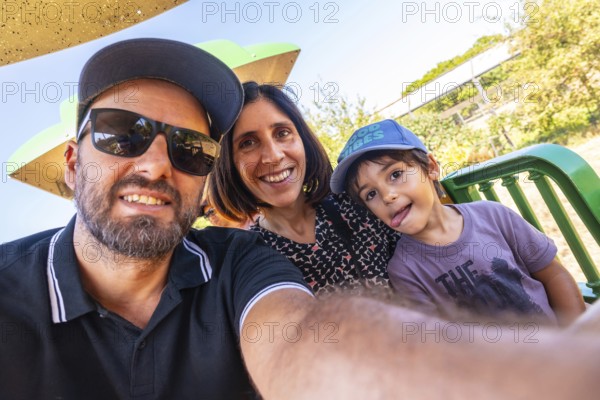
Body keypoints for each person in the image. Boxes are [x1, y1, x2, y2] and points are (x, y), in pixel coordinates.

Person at [2, 38, 600, 400]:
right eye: (123, 134)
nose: (157, 164)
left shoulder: (252, 261)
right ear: (73, 161)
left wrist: (544, 365)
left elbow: (306, 341)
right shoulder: (252, 247)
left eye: (189, 149)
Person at [330, 119, 586, 326]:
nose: (387, 196)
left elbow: (553, 274)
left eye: (395, 174)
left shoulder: (493, 215)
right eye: (370, 194)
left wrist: (574, 340)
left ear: (430, 167)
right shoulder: (405, 270)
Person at [210, 82, 398, 295]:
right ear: (229, 164)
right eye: (248, 143)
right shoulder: (250, 259)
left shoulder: (360, 203)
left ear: (303, 141)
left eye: (282, 133)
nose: (274, 156)